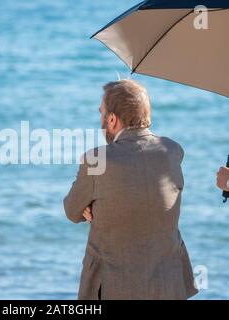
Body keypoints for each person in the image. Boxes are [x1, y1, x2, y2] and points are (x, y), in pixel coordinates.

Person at [63, 79, 198, 300]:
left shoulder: (97, 160)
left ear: (113, 119)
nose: (100, 121)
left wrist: (91, 206)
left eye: (102, 113)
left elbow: (71, 210)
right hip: (168, 285)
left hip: (113, 289)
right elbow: (145, 196)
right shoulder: (172, 151)